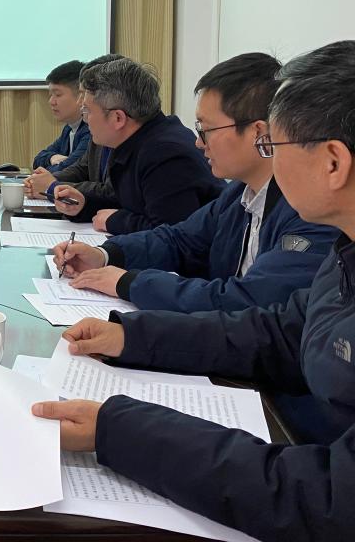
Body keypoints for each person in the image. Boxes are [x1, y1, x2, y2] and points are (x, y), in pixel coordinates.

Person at [32, 41, 355, 540]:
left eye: (277, 144)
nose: (270, 156)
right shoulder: (344, 251)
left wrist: (119, 430)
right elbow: (276, 332)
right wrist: (132, 337)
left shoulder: (318, 230)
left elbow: (327, 497)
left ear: (333, 162)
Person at [54, 52, 335, 312]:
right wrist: (105, 255)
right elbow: (178, 239)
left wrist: (129, 283)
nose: (199, 143)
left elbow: (246, 301)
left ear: (258, 132)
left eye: (206, 129)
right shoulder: (240, 192)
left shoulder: (310, 211)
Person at [52, 57, 223, 234]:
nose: (85, 119)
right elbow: (132, 203)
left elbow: (172, 235)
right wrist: (84, 205)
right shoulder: (135, 141)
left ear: (118, 118)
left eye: (87, 110)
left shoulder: (166, 155)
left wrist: (115, 221)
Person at [26, 54, 123, 204]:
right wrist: (45, 180)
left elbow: (111, 192)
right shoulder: (82, 130)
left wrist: (51, 186)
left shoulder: (140, 141)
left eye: (83, 94)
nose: (80, 102)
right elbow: (80, 168)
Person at [31, 60, 91, 172]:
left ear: (81, 95)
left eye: (58, 95)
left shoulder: (90, 130)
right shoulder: (69, 128)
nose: (51, 102)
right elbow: (38, 160)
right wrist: (52, 157)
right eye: (51, 95)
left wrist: (46, 170)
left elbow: (68, 169)